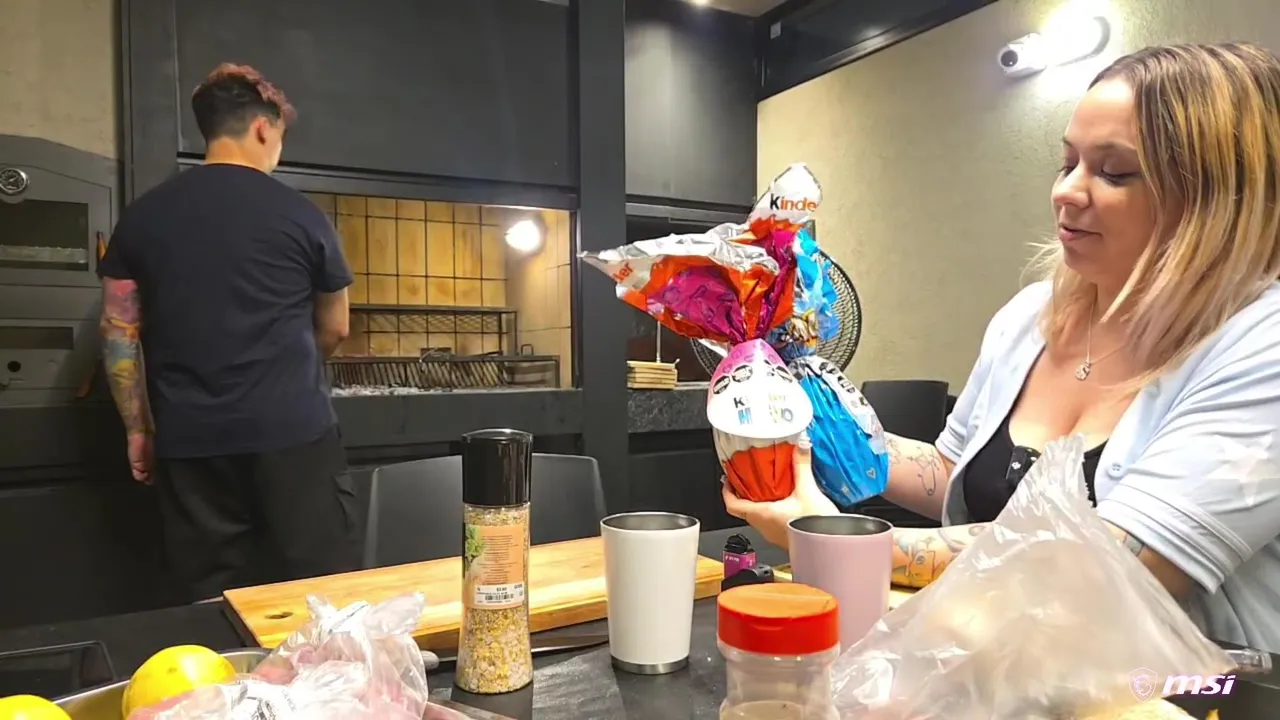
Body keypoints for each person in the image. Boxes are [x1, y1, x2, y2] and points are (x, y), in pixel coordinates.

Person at [724, 42, 1280, 653]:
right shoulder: (1031, 318)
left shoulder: (1261, 346)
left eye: (1114, 172)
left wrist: (833, 539)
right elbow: (950, 474)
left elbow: (1110, 566)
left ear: (1218, 198)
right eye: (1067, 163)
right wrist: (818, 424)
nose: (1067, 192)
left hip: (1180, 690)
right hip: (998, 665)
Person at [98, 63, 360, 602]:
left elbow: (118, 331)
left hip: (191, 442)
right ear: (263, 128)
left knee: (208, 601)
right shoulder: (303, 215)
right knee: (317, 597)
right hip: (293, 435)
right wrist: (287, 368)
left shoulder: (142, 217)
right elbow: (336, 326)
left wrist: (137, 430)